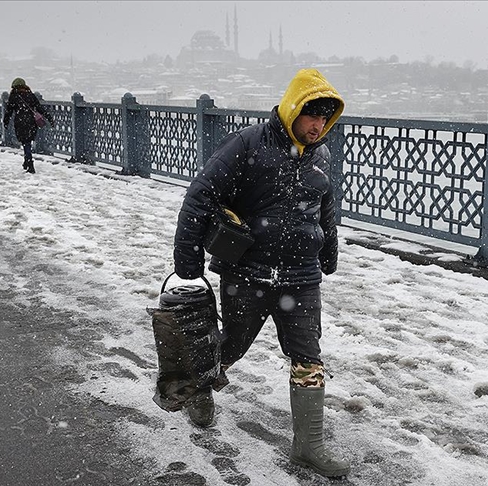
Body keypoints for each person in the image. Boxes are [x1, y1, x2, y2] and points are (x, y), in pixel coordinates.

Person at [172, 68, 349, 478]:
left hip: (301, 278)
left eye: (325, 119)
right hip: (247, 273)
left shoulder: (321, 155)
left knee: (308, 357)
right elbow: (200, 196)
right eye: (312, 115)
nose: (318, 126)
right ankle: (199, 387)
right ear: (293, 109)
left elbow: (325, 209)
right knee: (232, 345)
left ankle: (308, 445)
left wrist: (329, 253)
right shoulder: (248, 143)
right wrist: (187, 261)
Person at [3, 77, 53, 174]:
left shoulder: (14, 96)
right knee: (28, 142)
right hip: (31, 122)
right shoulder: (30, 95)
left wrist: (6, 121)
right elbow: (39, 108)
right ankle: (27, 161)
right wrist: (49, 118)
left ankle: (30, 163)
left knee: (25, 142)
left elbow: (9, 111)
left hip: (20, 122)